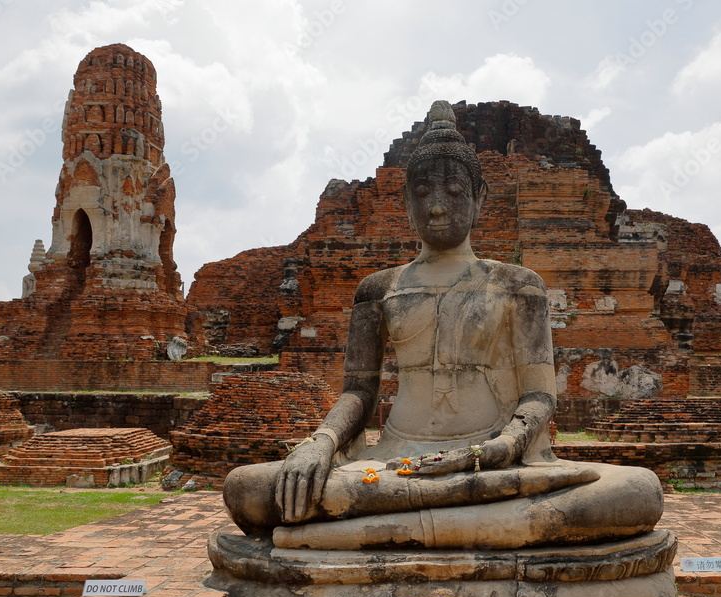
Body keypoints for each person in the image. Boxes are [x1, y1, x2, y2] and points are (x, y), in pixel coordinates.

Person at [222, 101, 663, 550]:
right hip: (395, 463)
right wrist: (321, 442)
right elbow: (358, 392)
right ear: (406, 202)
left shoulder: (517, 284)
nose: (436, 207)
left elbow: (539, 395)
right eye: (423, 191)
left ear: (480, 197)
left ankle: (374, 534)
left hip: (492, 463)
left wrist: (503, 447)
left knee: (636, 492)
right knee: (247, 489)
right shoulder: (378, 289)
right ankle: (480, 529)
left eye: (453, 190)